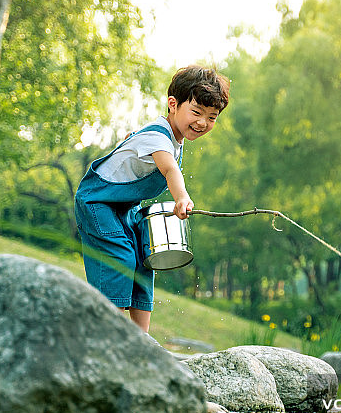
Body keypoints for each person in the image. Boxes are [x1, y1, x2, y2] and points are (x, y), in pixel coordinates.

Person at [74, 65, 230, 333]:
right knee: (120, 257)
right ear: (173, 104)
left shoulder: (170, 137)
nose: (203, 122)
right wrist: (182, 197)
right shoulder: (157, 136)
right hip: (97, 202)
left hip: (123, 207)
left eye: (212, 117)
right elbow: (169, 169)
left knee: (145, 262)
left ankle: (142, 340)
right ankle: (109, 335)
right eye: (196, 112)